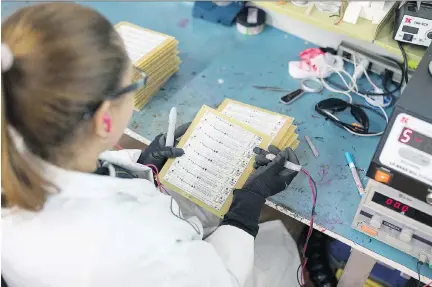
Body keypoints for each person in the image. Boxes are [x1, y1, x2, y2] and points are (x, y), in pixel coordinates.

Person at [1, 3, 302, 287]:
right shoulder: (138, 235)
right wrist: (248, 203)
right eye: (132, 84)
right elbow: (221, 278)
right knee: (277, 256)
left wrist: (142, 165)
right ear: (105, 120)